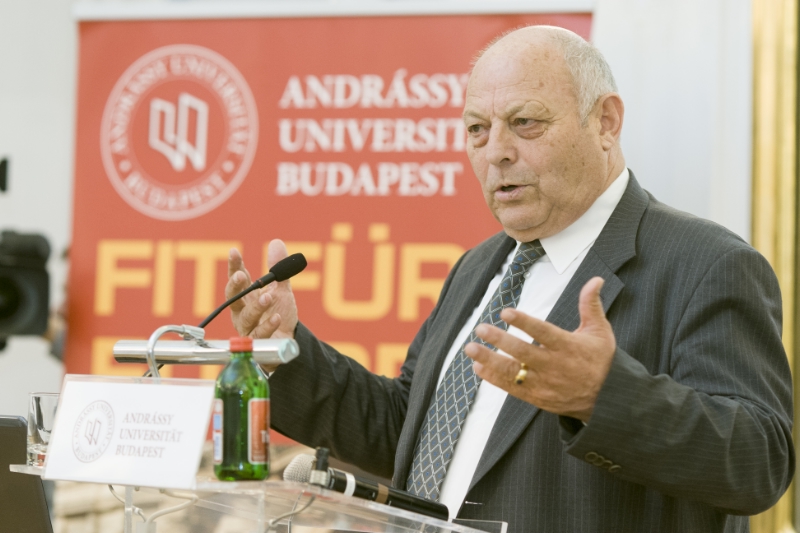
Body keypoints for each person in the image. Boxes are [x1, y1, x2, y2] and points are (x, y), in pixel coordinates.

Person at [226, 26, 794, 532]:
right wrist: (284, 350)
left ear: (605, 121)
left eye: (525, 123)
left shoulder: (706, 263)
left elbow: (760, 461)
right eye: (477, 129)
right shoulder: (479, 266)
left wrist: (604, 398)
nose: (496, 151)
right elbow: (407, 431)